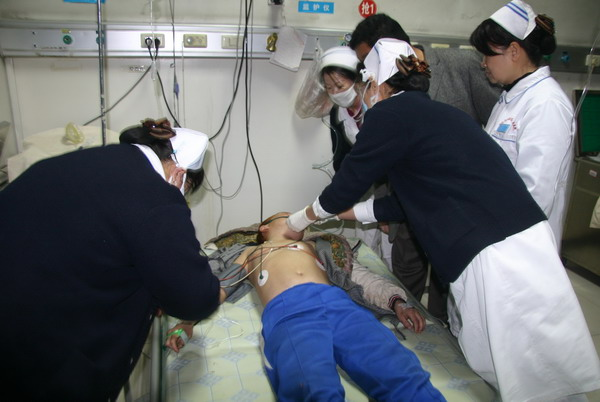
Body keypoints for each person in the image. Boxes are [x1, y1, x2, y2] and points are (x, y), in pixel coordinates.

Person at [286, 39, 600, 402]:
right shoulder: (441, 115)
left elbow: (345, 186)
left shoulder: (389, 116)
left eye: (365, 85)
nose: (364, 94)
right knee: (543, 359)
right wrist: (352, 213)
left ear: (378, 85)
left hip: (493, 254)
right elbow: (408, 201)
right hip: (525, 241)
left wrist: (297, 222)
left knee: (523, 367)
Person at [0, 118, 226, 401]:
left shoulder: (80, 162)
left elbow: (93, 243)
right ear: (180, 175)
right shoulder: (157, 198)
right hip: (40, 358)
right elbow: (194, 298)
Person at [166, 212, 444, 401]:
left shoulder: (318, 247)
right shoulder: (251, 253)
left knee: (397, 368)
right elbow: (219, 287)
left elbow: (359, 277)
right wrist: (187, 322)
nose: (296, 222)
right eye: (287, 218)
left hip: (339, 306)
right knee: (310, 384)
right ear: (264, 229)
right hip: (290, 312)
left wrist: (397, 302)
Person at [348, 13, 503, 324]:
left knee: (451, 288)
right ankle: (410, 328)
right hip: (406, 200)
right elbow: (382, 153)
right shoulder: (380, 92)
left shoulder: (461, 66)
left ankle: (447, 337)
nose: (368, 73)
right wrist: (382, 208)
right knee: (406, 278)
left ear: (391, 48)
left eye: (369, 60)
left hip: (457, 207)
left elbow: (494, 126)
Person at [470, 0, 574, 248]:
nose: (484, 63)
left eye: (488, 54)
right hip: (494, 233)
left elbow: (535, 194)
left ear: (514, 51)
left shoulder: (546, 104)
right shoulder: (509, 99)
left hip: (520, 242)